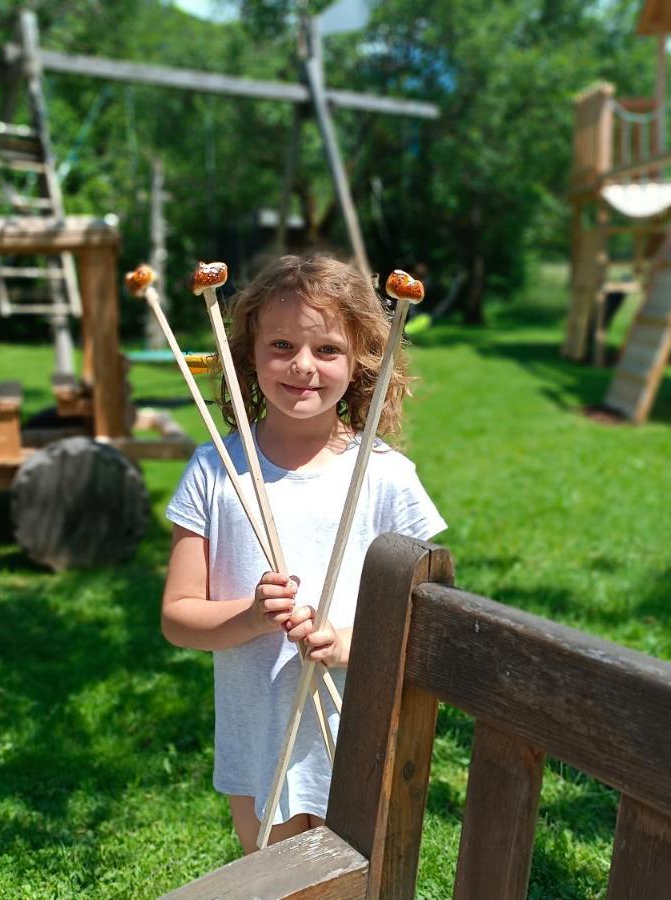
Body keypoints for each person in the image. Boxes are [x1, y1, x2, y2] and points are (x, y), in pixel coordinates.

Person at [161, 255, 446, 853]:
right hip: (261, 738)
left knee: (360, 881)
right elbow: (178, 617)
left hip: (361, 730)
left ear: (364, 357)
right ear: (248, 354)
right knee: (273, 882)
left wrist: (350, 641)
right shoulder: (218, 468)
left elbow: (429, 614)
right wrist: (250, 616)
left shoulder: (385, 478)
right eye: (282, 344)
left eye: (327, 350)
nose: (302, 366)